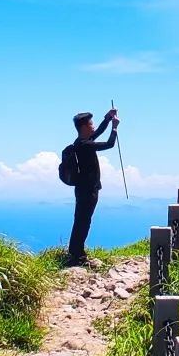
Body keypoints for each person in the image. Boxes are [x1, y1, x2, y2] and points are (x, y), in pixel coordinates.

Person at [67, 107, 119, 266]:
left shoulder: (80, 143)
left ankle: (76, 253)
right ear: (84, 127)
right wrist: (115, 128)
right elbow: (110, 144)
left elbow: (98, 133)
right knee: (84, 221)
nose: (93, 126)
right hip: (88, 190)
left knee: (81, 220)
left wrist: (108, 118)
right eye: (91, 124)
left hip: (83, 189)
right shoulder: (85, 146)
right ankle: (77, 256)